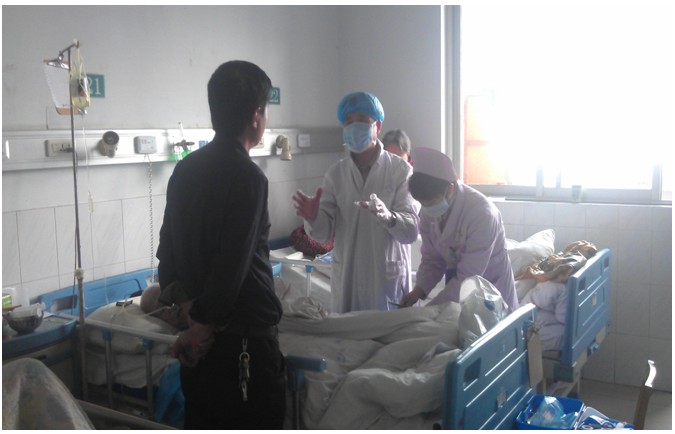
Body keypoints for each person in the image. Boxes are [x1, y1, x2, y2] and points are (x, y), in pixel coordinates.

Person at [156, 60, 286, 429]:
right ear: (256, 116)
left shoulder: (185, 169)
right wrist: (202, 325)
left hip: (201, 351)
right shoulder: (249, 178)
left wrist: (188, 311)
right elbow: (232, 266)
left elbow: (167, 252)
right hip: (243, 343)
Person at [292, 91, 419, 313]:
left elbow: (411, 232)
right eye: (348, 121)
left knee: (387, 333)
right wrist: (313, 217)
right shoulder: (335, 174)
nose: (354, 126)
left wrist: (389, 218)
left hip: (386, 280)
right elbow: (322, 235)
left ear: (377, 125)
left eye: (361, 119)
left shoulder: (401, 171)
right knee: (349, 333)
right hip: (349, 278)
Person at [399, 147, 518, 313]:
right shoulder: (428, 210)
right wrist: (418, 290)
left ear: (450, 189)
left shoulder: (482, 215)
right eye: (423, 203)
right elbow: (432, 259)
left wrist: (429, 310)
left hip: (491, 291)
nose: (427, 208)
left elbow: (468, 278)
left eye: (431, 202)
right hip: (459, 286)